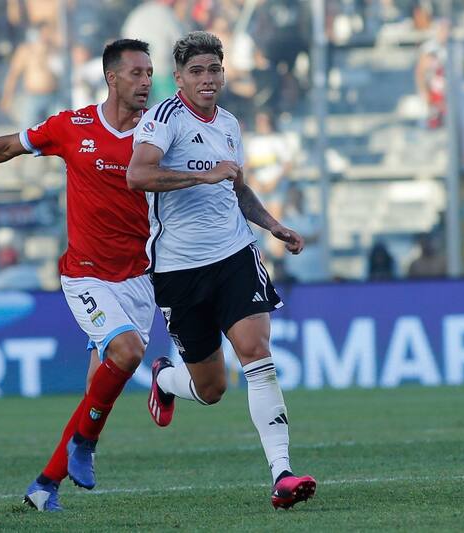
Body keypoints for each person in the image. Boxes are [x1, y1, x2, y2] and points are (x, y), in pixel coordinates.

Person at [0, 39, 155, 512]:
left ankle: (44, 486)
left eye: (150, 73)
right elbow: (6, 147)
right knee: (128, 352)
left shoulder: (161, 132)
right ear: (112, 77)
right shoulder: (73, 125)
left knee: (97, 393)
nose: (146, 82)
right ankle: (88, 443)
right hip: (85, 275)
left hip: (139, 280)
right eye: (137, 73)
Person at [128, 31, 316, 510]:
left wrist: (274, 226)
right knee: (210, 390)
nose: (208, 79)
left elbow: (237, 187)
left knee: (257, 353)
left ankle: (282, 474)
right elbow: (138, 175)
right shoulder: (163, 119)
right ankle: (166, 380)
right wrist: (200, 174)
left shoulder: (230, 123)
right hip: (178, 270)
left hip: (234, 255)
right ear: (180, 78)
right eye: (197, 71)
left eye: (214, 69)